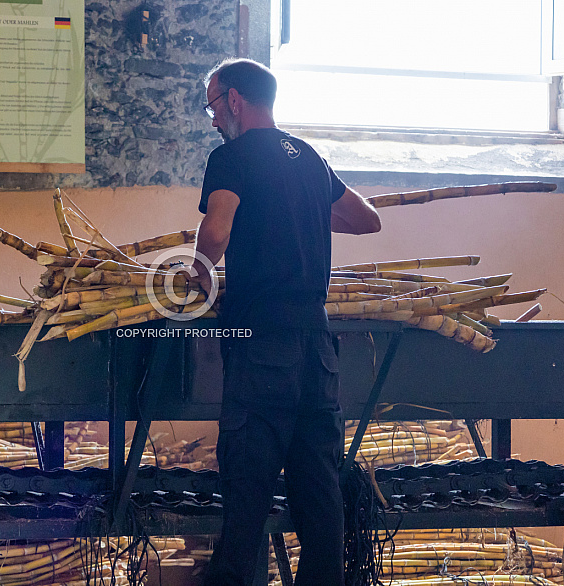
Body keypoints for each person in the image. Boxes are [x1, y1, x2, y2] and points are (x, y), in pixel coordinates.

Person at [192, 58, 382, 585]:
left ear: (233, 100)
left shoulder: (230, 157)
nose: (211, 118)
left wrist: (200, 272)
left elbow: (216, 229)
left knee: (247, 493)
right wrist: (301, 210)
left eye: (212, 104)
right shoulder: (311, 158)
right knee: (320, 497)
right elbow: (367, 219)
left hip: (260, 345)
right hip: (316, 347)